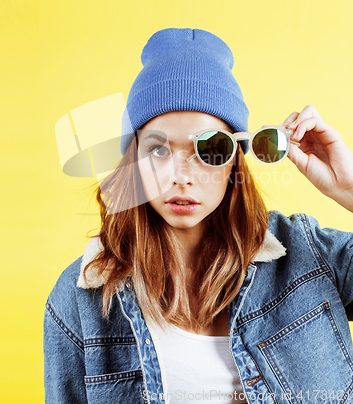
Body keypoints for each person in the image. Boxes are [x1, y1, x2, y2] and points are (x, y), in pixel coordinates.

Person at [44, 28, 353, 404]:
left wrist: (349, 191)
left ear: (235, 159)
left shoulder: (309, 255)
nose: (181, 175)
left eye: (211, 148)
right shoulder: (79, 300)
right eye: (158, 149)